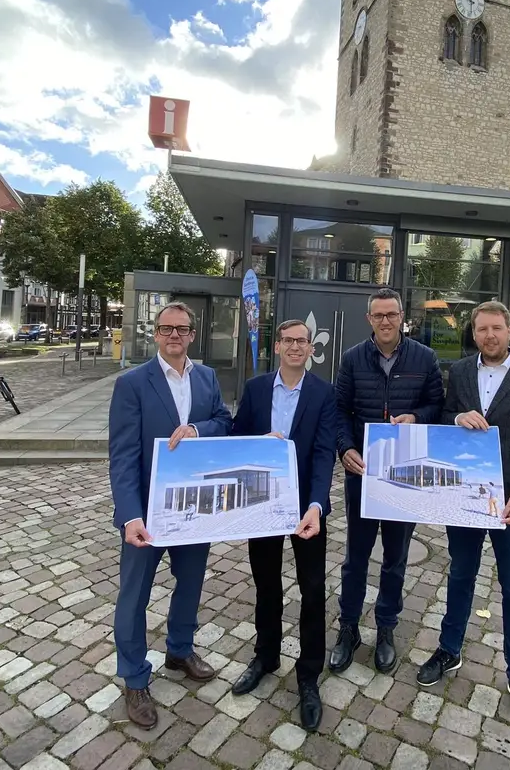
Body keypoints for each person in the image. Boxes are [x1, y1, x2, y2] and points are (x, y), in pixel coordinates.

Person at [416, 300, 510, 732]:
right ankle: (449, 648)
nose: (489, 336)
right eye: (481, 329)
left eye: (496, 328)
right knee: (460, 574)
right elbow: (443, 419)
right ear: (473, 332)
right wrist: (457, 415)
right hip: (466, 497)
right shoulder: (459, 373)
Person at [107, 302, 233, 729]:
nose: (174, 335)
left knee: (191, 583)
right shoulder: (132, 383)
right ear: (155, 334)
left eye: (181, 329)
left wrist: (199, 430)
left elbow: (223, 421)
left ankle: (179, 650)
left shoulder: (207, 378)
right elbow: (122, 456)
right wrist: (129, 516)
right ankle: (135, 677)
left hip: (194, 509)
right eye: (166, 329)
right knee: (134, 595)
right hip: (147, 513)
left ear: (192, 335)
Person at [228, 319, 340, 729]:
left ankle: (308, 675)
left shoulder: (323, 393)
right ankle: (266, 656)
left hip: (307, 510)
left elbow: (326, 450)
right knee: (266, 584)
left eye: (302, 342)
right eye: (288, 341)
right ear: (277, 347)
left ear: (311, 349)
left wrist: (317, 505)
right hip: (263, 506)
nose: (295, 347)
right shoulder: (257, 389)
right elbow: (238, 439)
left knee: (312, 590)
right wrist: (261, 446)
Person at [330, 287, 445, 675]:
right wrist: (345, 448)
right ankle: (348, 628)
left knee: (395, 558)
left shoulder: (424, 358)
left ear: (402, 317)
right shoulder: (351, 359)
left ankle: (385, 628)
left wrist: (417, 417)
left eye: (391, 315)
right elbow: (339, 410)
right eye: (378, 315)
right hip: (362, 471)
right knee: (356, 557)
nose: (385, 321)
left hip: (404, 475)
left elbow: (437, 406)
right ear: (369, 319)